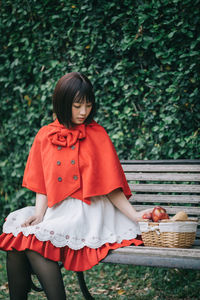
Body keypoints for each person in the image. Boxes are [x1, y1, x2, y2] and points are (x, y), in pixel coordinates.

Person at [0, 72, 152, 300]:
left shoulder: (97, 134)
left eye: (88, 105)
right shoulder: (44, 135)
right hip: (57, 210)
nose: (83, 112)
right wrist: (40, 214)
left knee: (32, 244)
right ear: (62, 104)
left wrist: (135, 215)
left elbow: (110, 185)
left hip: (89, 210)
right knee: (17, 244)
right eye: (77, 105)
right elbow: (42, 182)